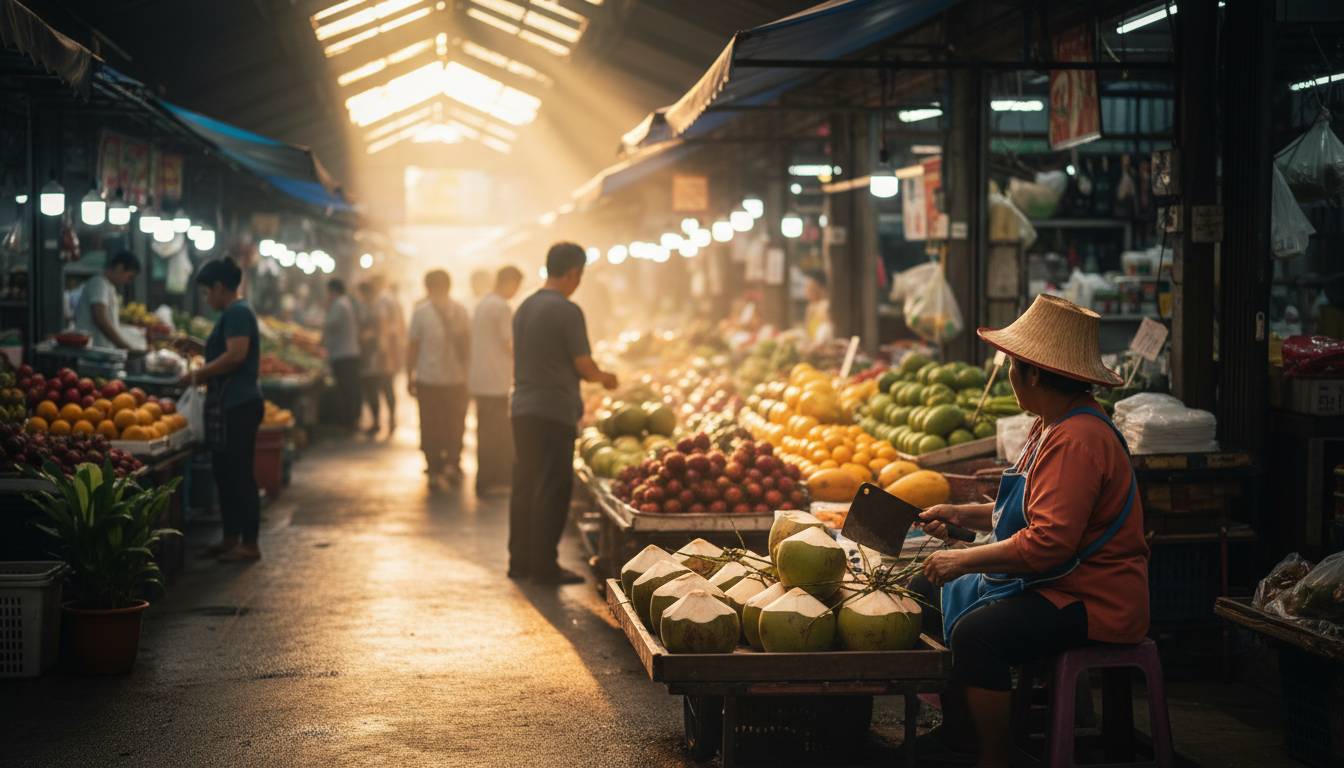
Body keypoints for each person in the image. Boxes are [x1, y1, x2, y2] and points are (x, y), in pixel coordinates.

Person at [902, 294, 1149, 768]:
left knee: (979, 635)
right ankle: (959, 733)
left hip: (1094, 598)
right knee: (921, 591)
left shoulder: (1077, 439)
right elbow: (1027, 513)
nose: (1008, 373)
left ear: (1034, 372)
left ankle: (994, 756)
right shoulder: (1051, 426)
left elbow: (1049, 544)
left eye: (1011, 365)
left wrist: (961, 559)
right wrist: (959, 513)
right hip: (1056, 583)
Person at [509, 243, 618, 585]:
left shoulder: (524, 305)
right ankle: (544, 566)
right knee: (554, 487)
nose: (579, 282)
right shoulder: (568, 310)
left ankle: (520, 561)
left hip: (522, 408)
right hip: (554, 410)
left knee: (526, 484)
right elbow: (583, 365)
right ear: (572, 272)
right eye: (580, 275)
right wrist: (606, 378)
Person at [177, 257, 264, 562]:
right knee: (224, 472)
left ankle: (249, 543)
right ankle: (231, 537)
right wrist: (196, 345)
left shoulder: (238, 311)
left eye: (206, 292)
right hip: (229, 405)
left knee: (239, 474)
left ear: (218, 286)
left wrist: (198, 374)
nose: (206, 298)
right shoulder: (233, 312)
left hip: (238, 404)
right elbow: (224, 350)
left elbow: (236, 356)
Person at [407, 269, 472, 490]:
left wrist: (410, 375)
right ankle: (452, 463)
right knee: (455, 422)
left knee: (429, 423)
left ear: (428, 288)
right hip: (457, 379)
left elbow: (413, 346)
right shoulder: (460, 311)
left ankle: (433, 467)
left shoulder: (421, 312)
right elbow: (468, 347)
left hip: (428, 379)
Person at [470, 265, 522, 495]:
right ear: (509, 282)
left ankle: (485, 480)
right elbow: (509, 343)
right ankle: (496, 482)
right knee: (498, 433)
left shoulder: (483, 303)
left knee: (486, 432)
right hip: (497, 380)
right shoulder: (501, 306)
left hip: (482, 379)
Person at [74, 250, 141, 350]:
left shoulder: (109, 287)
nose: (128, 281)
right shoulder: (99, 283)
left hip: (101, 350)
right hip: (92, 350)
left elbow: (110, 321)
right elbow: (100, 318)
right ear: (120, 267)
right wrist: (123, 346)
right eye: (129, 277)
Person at [358, 279, 397, 436]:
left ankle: (387, 420)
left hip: (379, 353)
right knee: (377, 388)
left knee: (382, 387)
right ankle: (381, 420)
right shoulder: (373, 304)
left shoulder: (381, 302)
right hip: (374, 354)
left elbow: (384, 326)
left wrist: (383, 349)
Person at [323, 279, 361, 432]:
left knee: (345, 390)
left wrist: (326, 309)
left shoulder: (338, 304)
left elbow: (332, 325)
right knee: (350, 389)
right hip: (349, 352)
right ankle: (351, 421)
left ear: (333, 290)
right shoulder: (346, 302)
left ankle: (347, 422)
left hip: (343, 354)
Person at [803, 272, 834, 343]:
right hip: (813, 343)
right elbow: (807, 330)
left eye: (811, 289)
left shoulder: (825, 304)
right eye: (806, 289)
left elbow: (827, 328)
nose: (807, 292)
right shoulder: (810, 307)